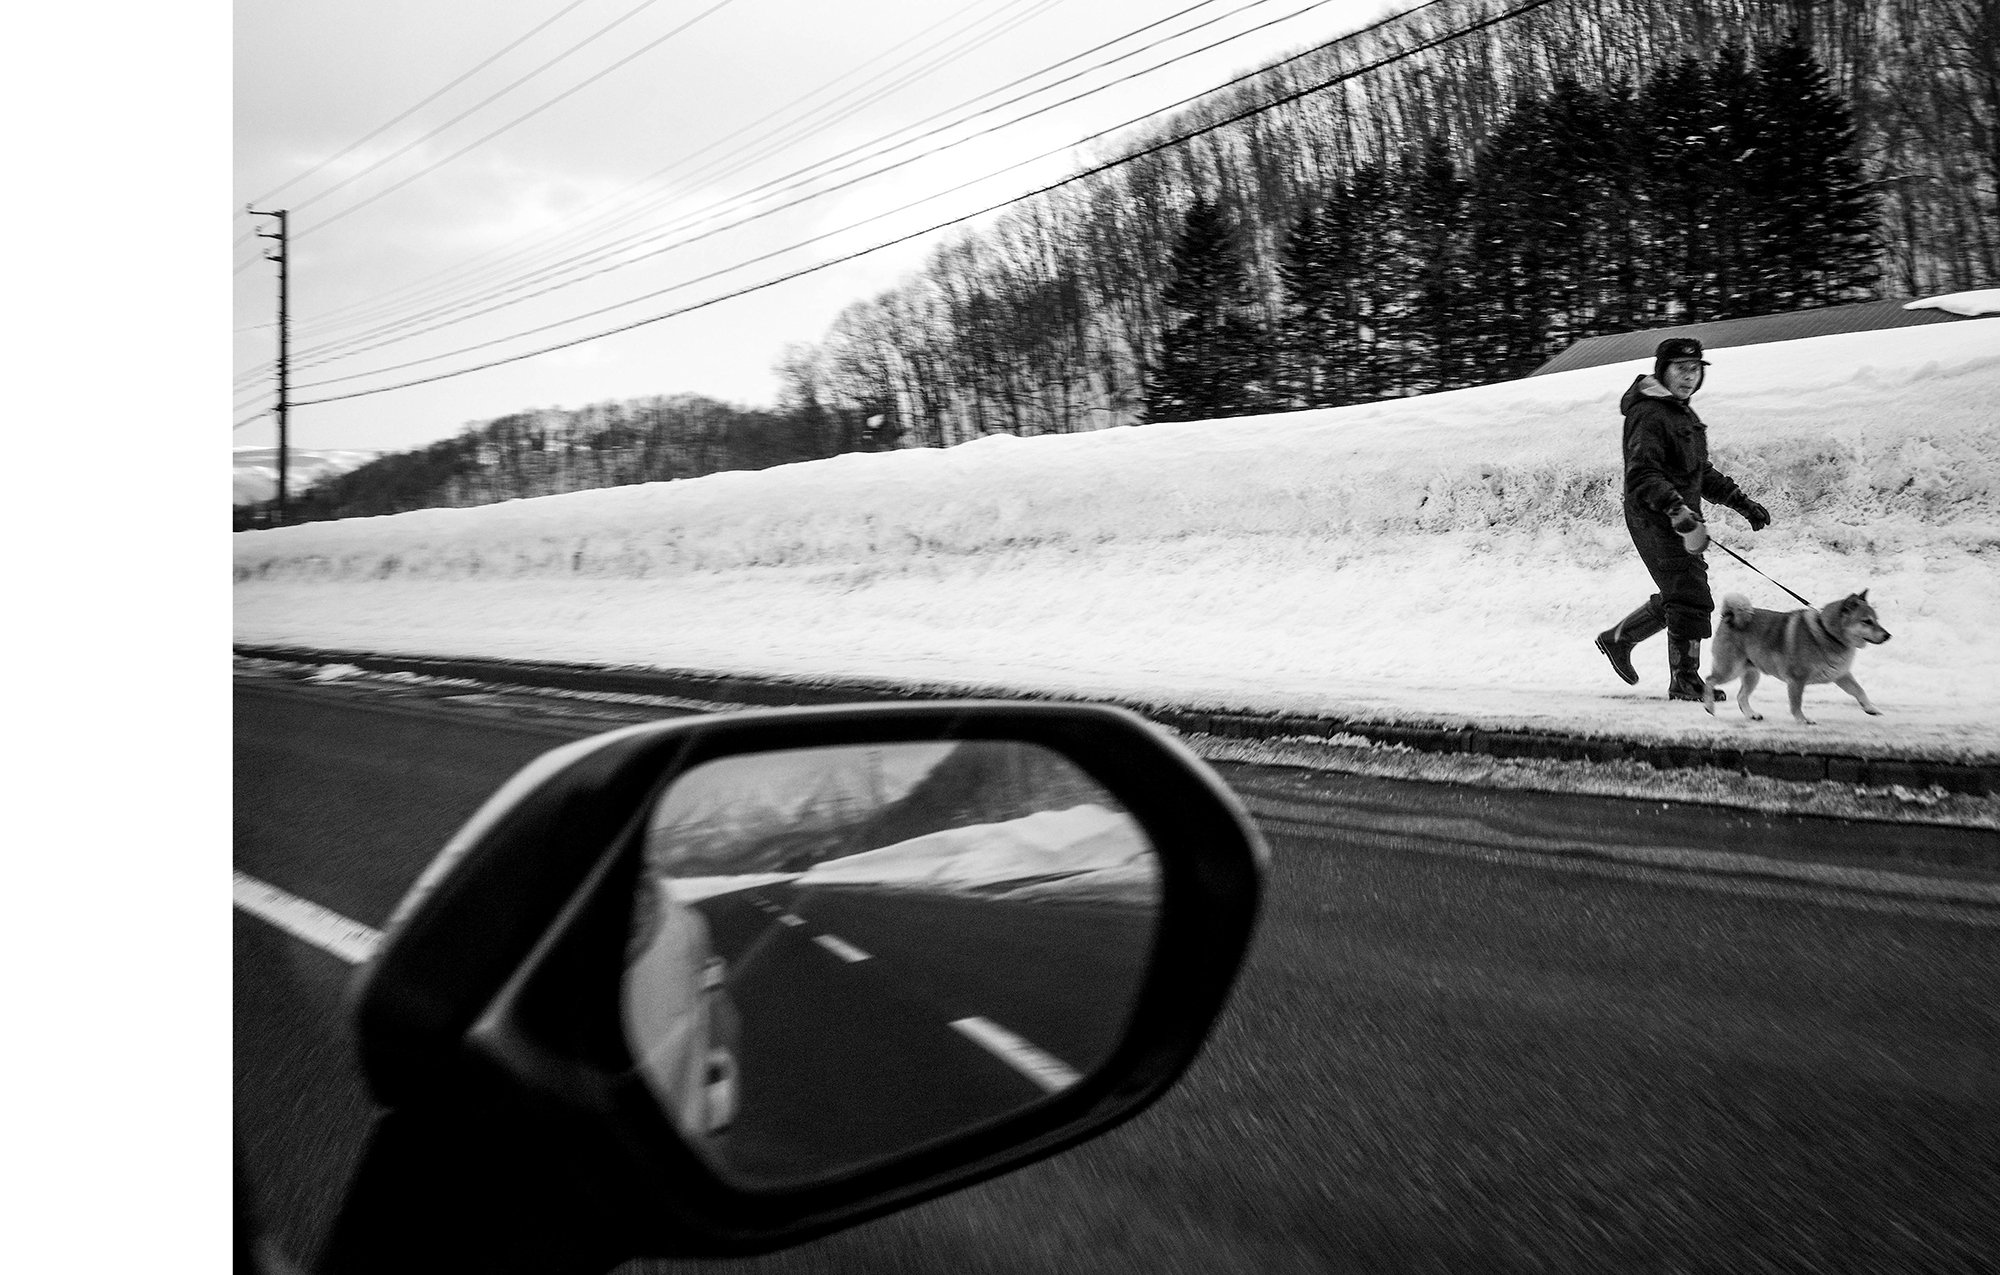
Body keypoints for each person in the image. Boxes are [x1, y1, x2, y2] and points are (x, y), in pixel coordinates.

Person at [1596, 337, 1771, 701]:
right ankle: (1685, 682)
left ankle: (1620, 638)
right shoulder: (1649, 414)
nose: (1689, 377)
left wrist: (1741, 502)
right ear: (1663, 370)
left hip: (1681, 517)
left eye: (1695, 370)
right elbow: (1642, 475)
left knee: (1681, 592)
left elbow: (1699, 473)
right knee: (1691, 595)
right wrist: (1676, 510)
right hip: (1655, 517)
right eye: (1681, 369)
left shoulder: (1681, 413)